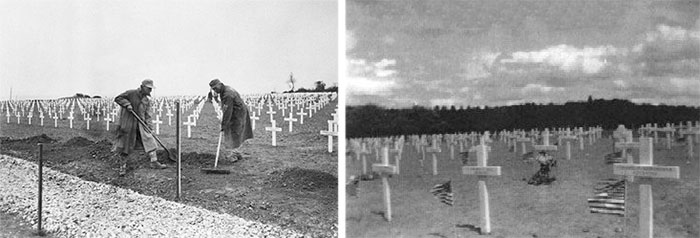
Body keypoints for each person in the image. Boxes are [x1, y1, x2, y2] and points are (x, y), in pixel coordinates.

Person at [113, 79, 167, 170]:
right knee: (125, 145)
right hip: (129, 123)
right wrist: (127, 104)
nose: (150, 90)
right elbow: (118, 98)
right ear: (142, 87)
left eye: (151, 89)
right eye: (148, 88)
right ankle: (122, 166)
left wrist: (150, 127)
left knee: (150, 140)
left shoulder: (146, 100)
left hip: (141, 123)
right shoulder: (131, 93)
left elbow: (147, 115)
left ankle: (154, 162)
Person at [209, 79, 254, 161]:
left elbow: (227, 111)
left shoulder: (227, 94)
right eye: (213, 89)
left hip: (237, 113)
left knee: (234, 132)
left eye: (216, 88)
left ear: (220, 84)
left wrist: (224, 125)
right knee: (236, 132)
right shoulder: (225, 89)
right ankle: (237, 153)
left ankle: (234, 155)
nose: (215, 90)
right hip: (238, 111)